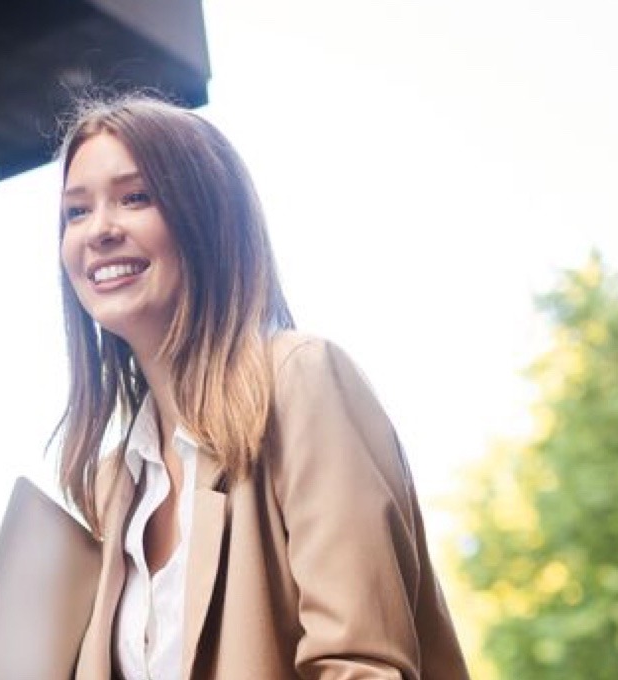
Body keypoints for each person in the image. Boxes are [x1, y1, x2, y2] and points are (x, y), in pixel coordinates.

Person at [53, 95, 470, 680]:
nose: (98, 230)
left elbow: (360, 664)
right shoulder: (113, 485)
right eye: (76, 211)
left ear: (206, 217)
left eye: (135, 197)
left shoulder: (301, 383)